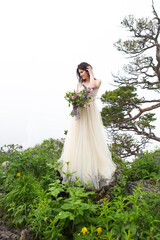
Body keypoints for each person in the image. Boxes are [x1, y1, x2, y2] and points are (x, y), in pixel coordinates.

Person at [58, 62, 116, 191]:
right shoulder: (79, 84)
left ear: (88, 70)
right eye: (79, 72)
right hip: (81, 112)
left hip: (91, 111)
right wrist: (75, 102)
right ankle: (78, 170)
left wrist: (91, 72)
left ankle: (93, 169)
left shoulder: (97, 81)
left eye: (82, 71)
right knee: (79, 138)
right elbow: (77, 94)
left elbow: (94, 86)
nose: (81, 74)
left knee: (91, 137)